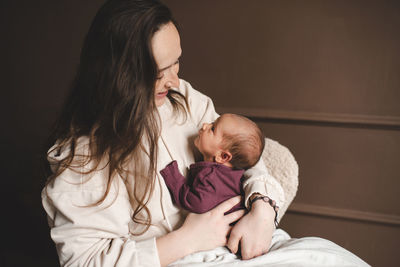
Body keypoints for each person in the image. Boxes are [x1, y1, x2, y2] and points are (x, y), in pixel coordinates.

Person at [42, 0, 370, 266]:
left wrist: (263, 209)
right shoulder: (85, 156)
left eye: (176, 64)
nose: (173, 81)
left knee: (328, 256)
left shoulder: (184, 99)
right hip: (189, 257)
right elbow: (86, 260)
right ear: (118, 75)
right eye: (158, 73)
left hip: (235, 247)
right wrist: (190, 237)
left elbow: (241, 156)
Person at [160, 113, 278, 224]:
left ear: (223, 156)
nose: (205, 125)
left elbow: (196, 203)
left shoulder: (211, 176)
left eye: (212, 129)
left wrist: (174, 177)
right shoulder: (232, 174)